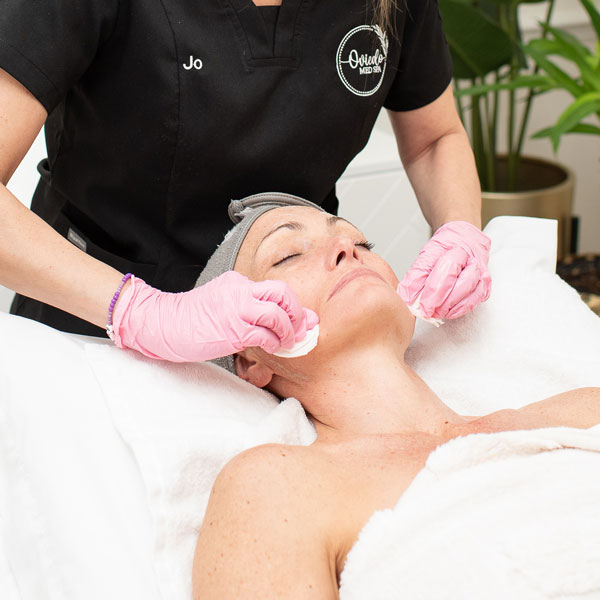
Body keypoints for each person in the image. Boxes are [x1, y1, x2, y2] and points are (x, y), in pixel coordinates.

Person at [0, 0, 491, 365]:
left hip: (289, 345)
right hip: (91, 331)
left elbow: (434, 139)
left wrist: (460, 229)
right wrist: (142, 313)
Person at [191, 198, 600, 599]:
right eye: (288, 255)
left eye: (363, 243)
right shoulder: (276, 486)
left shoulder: (580, 411)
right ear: (249, 358)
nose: (345, 248)